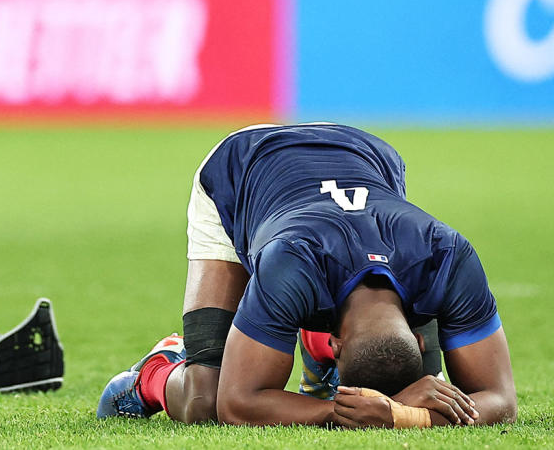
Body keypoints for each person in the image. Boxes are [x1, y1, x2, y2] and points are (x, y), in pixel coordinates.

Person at [97, 123, 516, 428]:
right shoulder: (289, 264)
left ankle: (318, 360)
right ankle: (152, 374)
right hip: (243, 166)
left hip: (366, 155)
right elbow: (236, 405)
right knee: (203, 400)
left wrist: (399, 414)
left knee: (422, 384)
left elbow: (502, 400)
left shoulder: (447, 255)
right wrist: (349, 413)